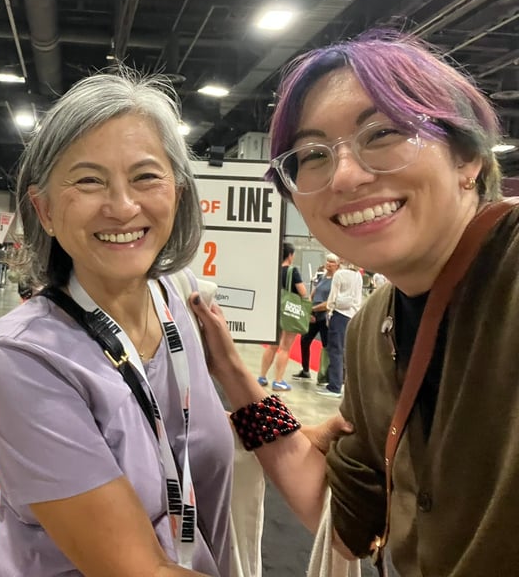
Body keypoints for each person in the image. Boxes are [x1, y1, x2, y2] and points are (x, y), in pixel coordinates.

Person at [0, 71, 337, 577]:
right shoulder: (24, 359)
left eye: (146, 176)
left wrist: (294, 434)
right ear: (45, 209)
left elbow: (190, 436)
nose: (123, 207)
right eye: (88, 180)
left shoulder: (179, 295)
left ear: (179, 192)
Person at [193, 31, 518, 576]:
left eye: (385, 132)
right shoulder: (376, 327)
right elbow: (344, 517)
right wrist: (229, 367)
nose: (345, 174)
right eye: (314, 154)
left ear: (467, 157)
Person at [259, 242, 308, 391]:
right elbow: (303, 292)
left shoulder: (274, 269)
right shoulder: (292, 271)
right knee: (285, 347)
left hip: (275, 310)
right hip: (289, 311)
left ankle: (262, 377)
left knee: (272, 346)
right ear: (290, 255)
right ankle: (278, 380)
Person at [320, 259, 363, 398]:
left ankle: (334, 386)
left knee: (335, 350)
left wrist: (329, 311)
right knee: (345, 350)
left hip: (339, 314)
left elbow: (332, 297)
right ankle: (342, 382)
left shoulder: (339, 274)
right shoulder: (358, 275)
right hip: (352, 315)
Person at [292, 254, 338, 383]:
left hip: (325, 316)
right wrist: (309, 309)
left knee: (326, 345)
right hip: (314, 314)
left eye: (332, 262)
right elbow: (314, 293)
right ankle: (305, 370)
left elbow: (329, 302)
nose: (329, 264)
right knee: (304, 340)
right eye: (328, 261)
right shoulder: (322, 277)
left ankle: (325, 375)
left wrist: (314, 309)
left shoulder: (336, 280)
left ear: (337, 265)